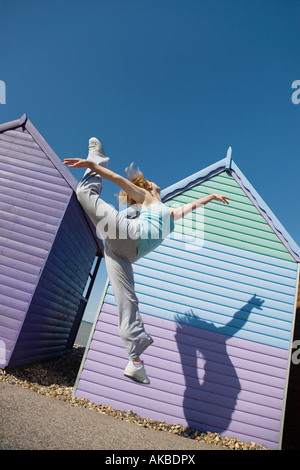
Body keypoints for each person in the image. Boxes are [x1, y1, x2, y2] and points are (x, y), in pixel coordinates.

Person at [63, 138, 229, 384]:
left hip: (126, 252)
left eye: (151, 182)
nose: (152, 182)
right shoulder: (147, 198)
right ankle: (97, 156)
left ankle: (135, 360)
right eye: (150, 183)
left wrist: (212, 196)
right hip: (128, 235)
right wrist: (94, 166)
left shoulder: (169, 211)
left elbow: (193, 205)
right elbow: (119, 180)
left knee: (127, 300)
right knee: (83, 193)